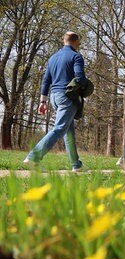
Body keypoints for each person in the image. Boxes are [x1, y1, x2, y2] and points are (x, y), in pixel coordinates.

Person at [24, 31, 88, 172]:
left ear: (64, 40)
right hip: (67, 97)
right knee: (59, 128)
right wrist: (85, 85)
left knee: (68, 131)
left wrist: (42, 101)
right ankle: (34, 156)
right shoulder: (76, 56)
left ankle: (76, 165)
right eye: (79, 43)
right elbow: (80, 78)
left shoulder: (53, 58)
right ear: (76, 41)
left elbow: (46, 80)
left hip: (54, 97)